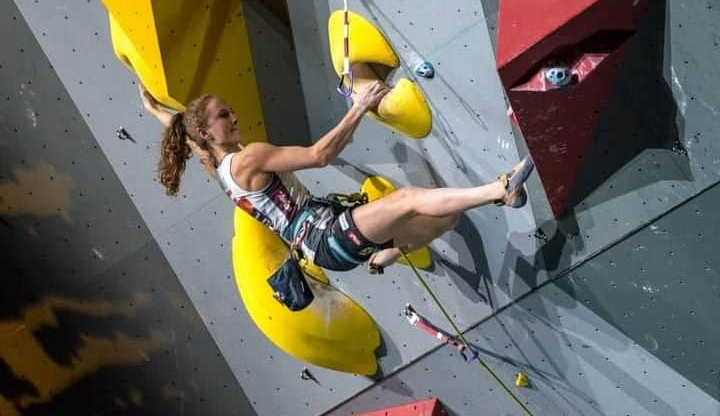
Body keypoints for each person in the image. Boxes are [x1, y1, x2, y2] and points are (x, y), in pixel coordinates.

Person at [139, 81, 534, 273]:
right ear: (208, 133)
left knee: (446, 217)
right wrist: (360, 107)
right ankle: (501, 190)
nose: (235, 116)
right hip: (323, 236)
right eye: (224, 116)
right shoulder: (250, 158)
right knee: (408, 198)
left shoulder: (218, 167)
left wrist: (156, 110)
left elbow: (183, 130)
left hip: (325, 246)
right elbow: (319, 155)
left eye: (230, 110)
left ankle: (385, 254)